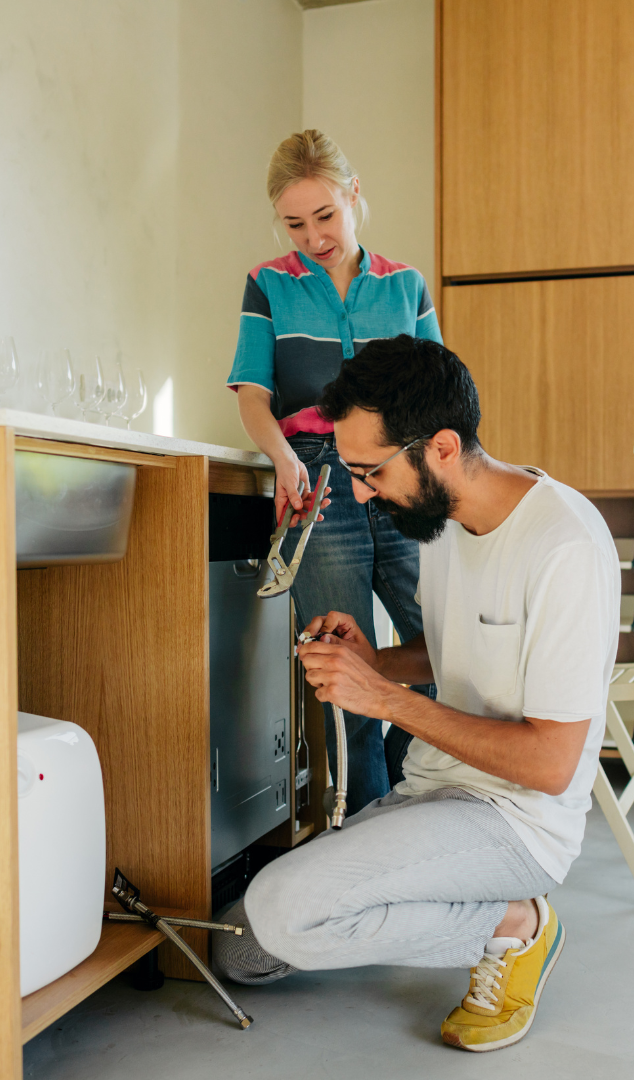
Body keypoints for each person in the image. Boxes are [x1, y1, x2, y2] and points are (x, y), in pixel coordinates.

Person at [214, 335, 619, 1052]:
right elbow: (457, 649)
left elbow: (553, 765)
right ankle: (450, 898)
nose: (364, 494)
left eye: (370, 472)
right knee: (242, 951)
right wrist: (379, 662)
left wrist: (386, 701)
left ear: (439, 447)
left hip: (516, 819)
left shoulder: (564, 546)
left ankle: (519, 924)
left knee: (283, 914)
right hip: (434, 791)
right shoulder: (441, 526)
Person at [227, 130, 443, 815]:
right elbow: (253, 394)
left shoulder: (405, 284)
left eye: (325, 215)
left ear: (353, 195)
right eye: (295, 223)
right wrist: (283, 457)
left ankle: (426, 809)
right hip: (315, 481)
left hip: (402, 474)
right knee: (341, 666)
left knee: (437, 650)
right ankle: (366, 823)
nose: (313, 236)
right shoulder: (268, 284)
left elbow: (438, 390)